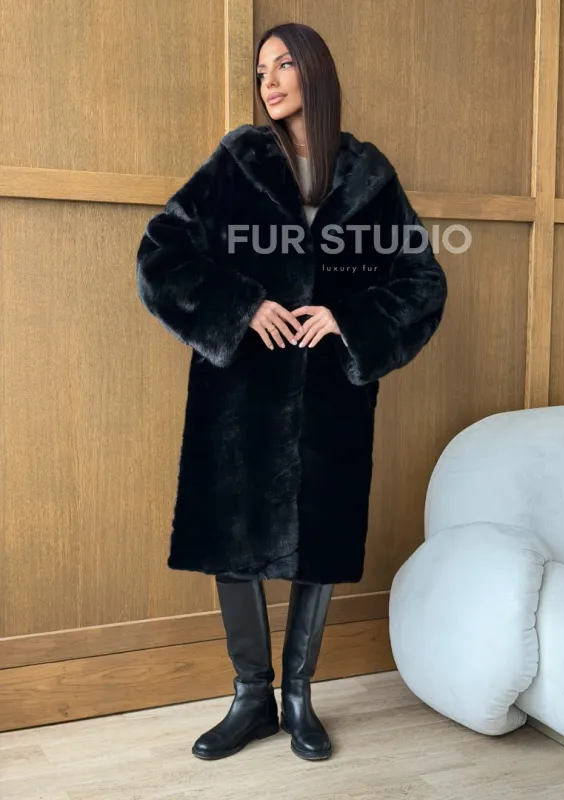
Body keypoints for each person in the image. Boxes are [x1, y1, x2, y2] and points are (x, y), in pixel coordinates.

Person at [136, 22, 448, 762]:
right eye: (260, 70)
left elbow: (422, 282)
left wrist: (349, 318)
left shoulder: (369, 175)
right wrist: (243, 306)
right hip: (240, 393)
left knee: (322, 541)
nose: (268, 81)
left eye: (282, 65)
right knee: (233, 541)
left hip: (332, 397)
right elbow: (160, 253)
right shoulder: (239, 161)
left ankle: (300, 698)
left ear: (315, 71)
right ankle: (252, 698)